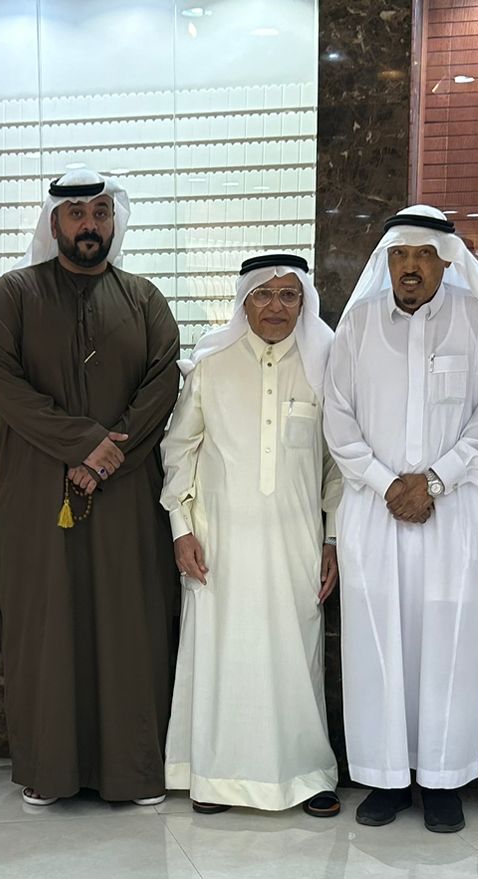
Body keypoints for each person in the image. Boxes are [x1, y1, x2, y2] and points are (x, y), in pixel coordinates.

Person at [0, 169, 181, 806]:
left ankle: (133, 770)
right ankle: (50, 769)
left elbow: (162, 384)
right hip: (39, 490)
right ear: (55, 222)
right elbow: (1, 381)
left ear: (114, 221)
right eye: (76, 214)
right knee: (47, 626)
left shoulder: (144, 298)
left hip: (125, 492)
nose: (89, 225)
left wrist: (104, 456)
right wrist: (81, 444)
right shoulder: (14, 294)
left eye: (100, 213)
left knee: (131, 625)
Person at [322, 204, 478, 833]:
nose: (411, 267)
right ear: (387, 262)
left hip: (451, 511)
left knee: (448, 643)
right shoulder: (357, 325)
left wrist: (434, 481)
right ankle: (384, 779)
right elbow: (337, 419)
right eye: (400, 255)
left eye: (424, 255)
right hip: (375, 510)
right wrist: (389, 484)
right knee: (376, 642)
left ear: (446, 260)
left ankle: (443, 780)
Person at [161, 253, 342, 816]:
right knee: (222, 657)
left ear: (304, 302)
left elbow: (336, 466)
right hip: (219, 544)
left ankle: (307, 775)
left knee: (296, 658)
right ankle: (214, 777)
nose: (276, 307)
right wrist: (181, 529)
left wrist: (333, 539)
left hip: (296, 545)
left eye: (289, 295)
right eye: (263, 294)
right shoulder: (212, 364)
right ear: (244, 301)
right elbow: (178, 450)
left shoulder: (323, 368)